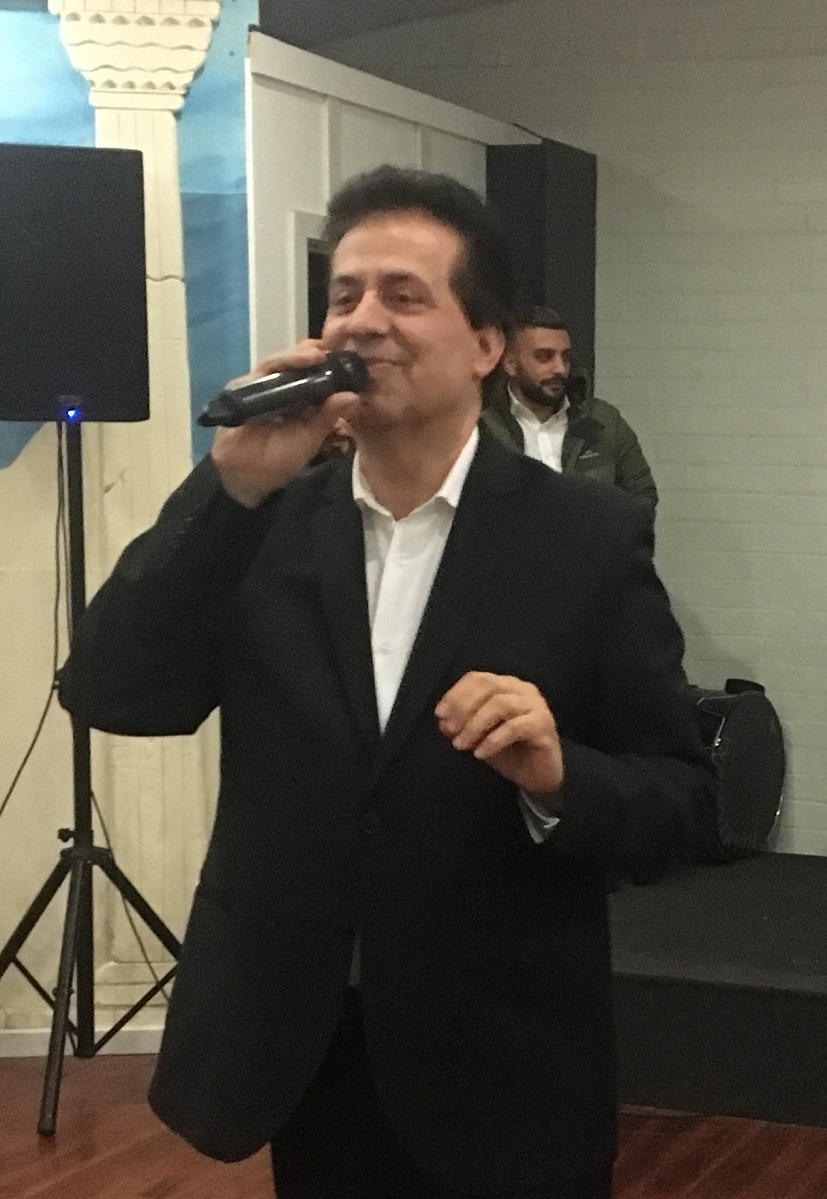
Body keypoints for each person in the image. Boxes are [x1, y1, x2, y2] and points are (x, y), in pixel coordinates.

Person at [58, 166, 715, 1199]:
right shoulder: (262, 522)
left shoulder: (586, 539)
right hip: (304, 1049)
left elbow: (682, 801)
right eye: (344, 296)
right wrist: (228, 486)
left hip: (500, 1063)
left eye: (404, 296)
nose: (364, 320)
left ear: (487, 345)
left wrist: (559, 775)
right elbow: (111, 689)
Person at [481, 306, 658, 508]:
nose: (560, 369)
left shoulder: (603, 421)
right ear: (510, 364)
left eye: (565, 357)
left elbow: (642, 498)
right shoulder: (483, 427)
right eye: (545, 357)